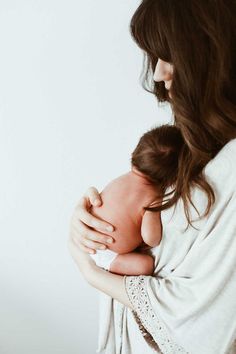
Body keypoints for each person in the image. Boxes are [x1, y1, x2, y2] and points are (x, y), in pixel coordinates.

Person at [68, 1, 236, 353]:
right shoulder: (196, 142)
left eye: (168, 54)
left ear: (209, 54)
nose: (158, 73)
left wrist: (93, 271)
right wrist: (88, 225)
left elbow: (200, 319)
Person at [89, 124, 184, 275]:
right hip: (107, 254)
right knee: (145, 265)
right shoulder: (153, 198)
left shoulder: (121, 179)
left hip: (90, 237)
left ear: (135, 154)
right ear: (171, 179)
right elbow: (151, 239)